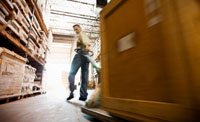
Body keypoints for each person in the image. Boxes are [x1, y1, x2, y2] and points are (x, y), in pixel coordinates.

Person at [67, 24, 91, 101]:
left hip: (80, 55)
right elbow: (86, 41)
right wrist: (87, 46)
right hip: (86, 56)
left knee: (71, 73)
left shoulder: (82, 34)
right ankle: (83, 95)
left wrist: (86, 46)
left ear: (80, 28)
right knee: (84, 76)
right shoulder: (85, 35)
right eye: (75, 30)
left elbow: (85, 41)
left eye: (76, 29)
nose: (76, 31)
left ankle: (71, 92)